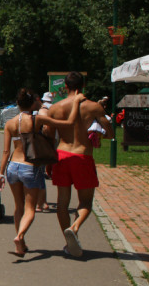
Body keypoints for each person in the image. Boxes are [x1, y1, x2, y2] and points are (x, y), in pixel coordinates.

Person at [0, 88, 80, 256]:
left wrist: (0, 173)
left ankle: (21, 244)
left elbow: (5, 151)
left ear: (18, 104)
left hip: (13, 166)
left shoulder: (10, 123)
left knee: (18, 206)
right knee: (30, 208)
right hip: (30, 166)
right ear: (33, 103)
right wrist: (76, 103)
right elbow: (68, 124)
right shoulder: (37, 119)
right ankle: (20, 236)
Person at [47, 71, 114, 257]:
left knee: (62, 203)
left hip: (61, 154)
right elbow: (110, 133)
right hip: (82, 155)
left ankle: (68, 244)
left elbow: (49, 136)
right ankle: (75, 228)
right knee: (85, 201)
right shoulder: (93, 107)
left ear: (65, 87)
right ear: (83, 86)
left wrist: (49, 160)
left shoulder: (56, 107)